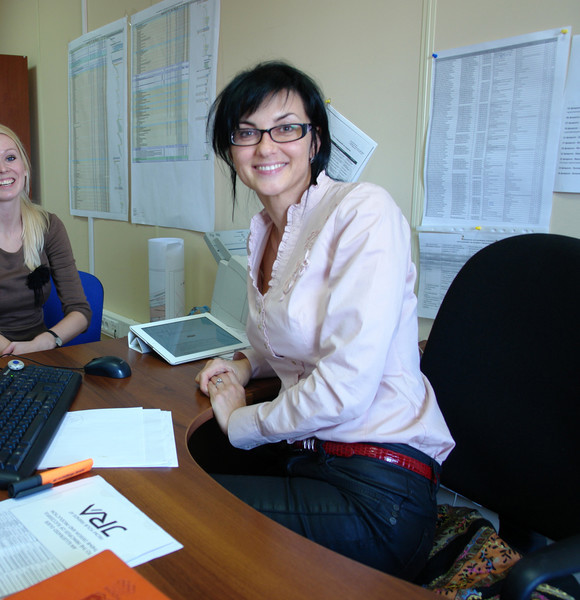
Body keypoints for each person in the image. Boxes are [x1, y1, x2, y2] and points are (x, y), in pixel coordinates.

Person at [192, 61, 455, 580]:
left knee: (182, 513)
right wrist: (243, 363)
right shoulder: (264, 230)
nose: (266, 147)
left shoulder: (363, 212)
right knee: (177, 471)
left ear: (315, 141)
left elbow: (346, 388)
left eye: (287, 127)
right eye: (246, 132)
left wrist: (241, 421)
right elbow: (287, 340)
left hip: (379, 494)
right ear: (230, 151)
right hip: (312, 459)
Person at [0, 122, 91, 357]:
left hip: (44, 351)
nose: (3, 169)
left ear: (24, 167)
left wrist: (46, 341)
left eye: (10, 158)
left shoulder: (49, 226)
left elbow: (80, 312)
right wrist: (16, 353)